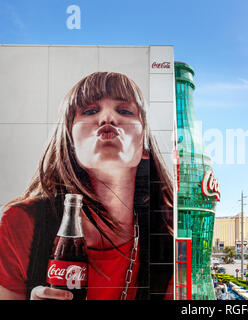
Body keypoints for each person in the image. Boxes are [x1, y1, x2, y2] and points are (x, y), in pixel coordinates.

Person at [0, 72, 174, 300]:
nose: (107, 117)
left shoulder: (170, 230)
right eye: (90, 110)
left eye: (124, 110)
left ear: (144, 146)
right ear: (69, 140)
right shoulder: (21, 224)